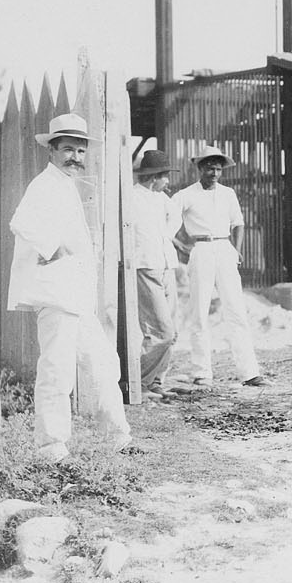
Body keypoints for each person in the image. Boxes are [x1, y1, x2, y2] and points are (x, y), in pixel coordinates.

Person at [6, 113, 131, 461]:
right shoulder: (44, 184)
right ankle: (51, 447)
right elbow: (21, 222)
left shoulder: (65, 185)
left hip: (74, 296)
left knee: (104, 362)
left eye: (80, 150)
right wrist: (55, 250)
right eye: (67, 149)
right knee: (57, 370)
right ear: (51, 151)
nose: (74, 156)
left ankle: (117, 438)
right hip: (55, 294)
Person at [172, 148, 265, 388]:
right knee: (199, 312)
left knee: (236, 310)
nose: (214, 173)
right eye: (209, 168)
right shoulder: (185, 195)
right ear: (199, 168)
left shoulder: (228, 194)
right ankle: (202, 371)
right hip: (201, 249)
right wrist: (181, 246)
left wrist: (237, 248)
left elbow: (239, 223)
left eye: (218, 169)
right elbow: (166, 223)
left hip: (225, 249)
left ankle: (250, 372)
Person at [126, 149, 181, 400]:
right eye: (165, 176)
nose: (168, 181)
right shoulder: (131, 198)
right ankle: (139, 382)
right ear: (154, 177)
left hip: (167, 264)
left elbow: (175, 218)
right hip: (145, 265)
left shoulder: (162, 199)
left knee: (173, 331)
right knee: (161, 331)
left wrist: (168, 236)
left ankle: (157, 380)